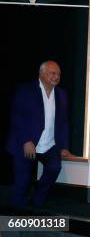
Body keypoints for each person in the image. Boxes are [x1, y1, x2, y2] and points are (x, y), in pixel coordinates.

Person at [6, 61, 72, 207]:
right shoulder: (26, 90)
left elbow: (63, 123)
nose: (56, 77)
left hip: (48, 145)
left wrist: (64, 147)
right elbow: (17, 117)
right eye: (52, 73)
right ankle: (14, 217)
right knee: (22, 183)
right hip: (25, 144)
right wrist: (26, 141)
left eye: (59, 74)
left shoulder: (61, 94)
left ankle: (36, 201)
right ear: (41, 74)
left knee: (54, 168)